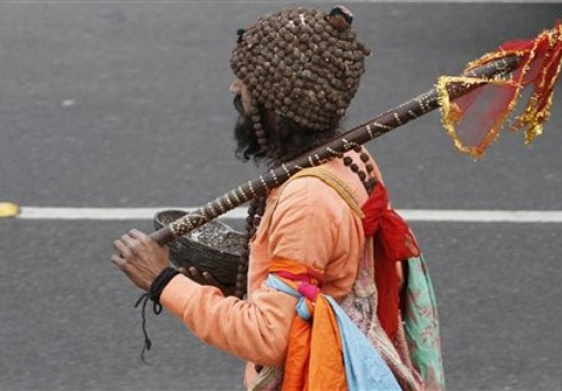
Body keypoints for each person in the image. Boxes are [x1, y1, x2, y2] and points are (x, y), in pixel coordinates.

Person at [112, 6, 444, 391]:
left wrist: (164, 282)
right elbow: (320, 280)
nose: (235, 90)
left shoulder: (306, 200)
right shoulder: (352, 157)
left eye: (245, 84)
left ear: (274, 108)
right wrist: (242, 287)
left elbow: (268, 338)